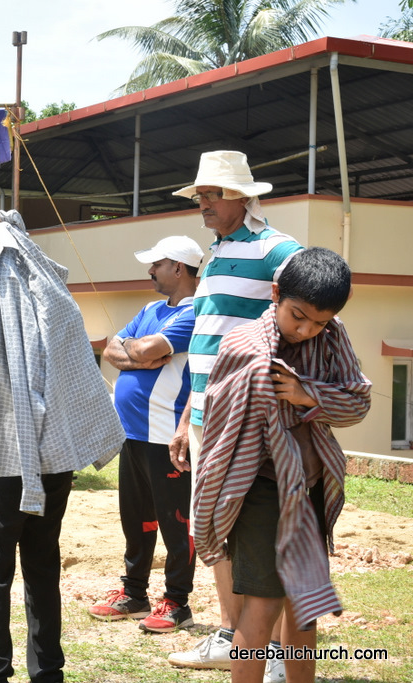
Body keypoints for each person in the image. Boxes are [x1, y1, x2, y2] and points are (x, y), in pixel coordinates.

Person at [0, 213, 125, 683]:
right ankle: (48, 671)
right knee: (42, 566)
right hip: (55, 459)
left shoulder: (7, 318)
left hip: (12, 457)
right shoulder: (61, 314)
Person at [193, 248, 371, 683]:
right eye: (298, 316)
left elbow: (358, 402)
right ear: (276, 294)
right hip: (258, 487)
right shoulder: (243, 345)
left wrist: (306, 393)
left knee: (304, 604)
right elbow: (223, 425)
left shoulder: (333, 337)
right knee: (263, 605)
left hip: (309, 486)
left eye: (319, 322)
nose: (306, 330)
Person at [166, 150, 304, 675]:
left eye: (211, 194)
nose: (201, 202)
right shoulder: (217, 251)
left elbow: (315, 304)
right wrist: (187, 419)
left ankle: (275, 654)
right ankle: (233, 637)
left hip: (248, 422)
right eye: (199, 194)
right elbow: (207, 344)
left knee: (261, 535)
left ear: (242, 198)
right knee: (214, 532)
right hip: (206, 419)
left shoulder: (275, 248)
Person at [89, 236, 202, 633]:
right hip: (133, 434)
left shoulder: (197, 311)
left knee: (175, 522)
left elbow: (147, 347)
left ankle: (177, 602)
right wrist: (140, 358)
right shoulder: (151, 309)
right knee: (136, 520)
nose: (150, 271)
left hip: (168, 438)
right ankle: (135, 594)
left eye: (157, 264)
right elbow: (111, 350)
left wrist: (137, 352)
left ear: (179, 268)